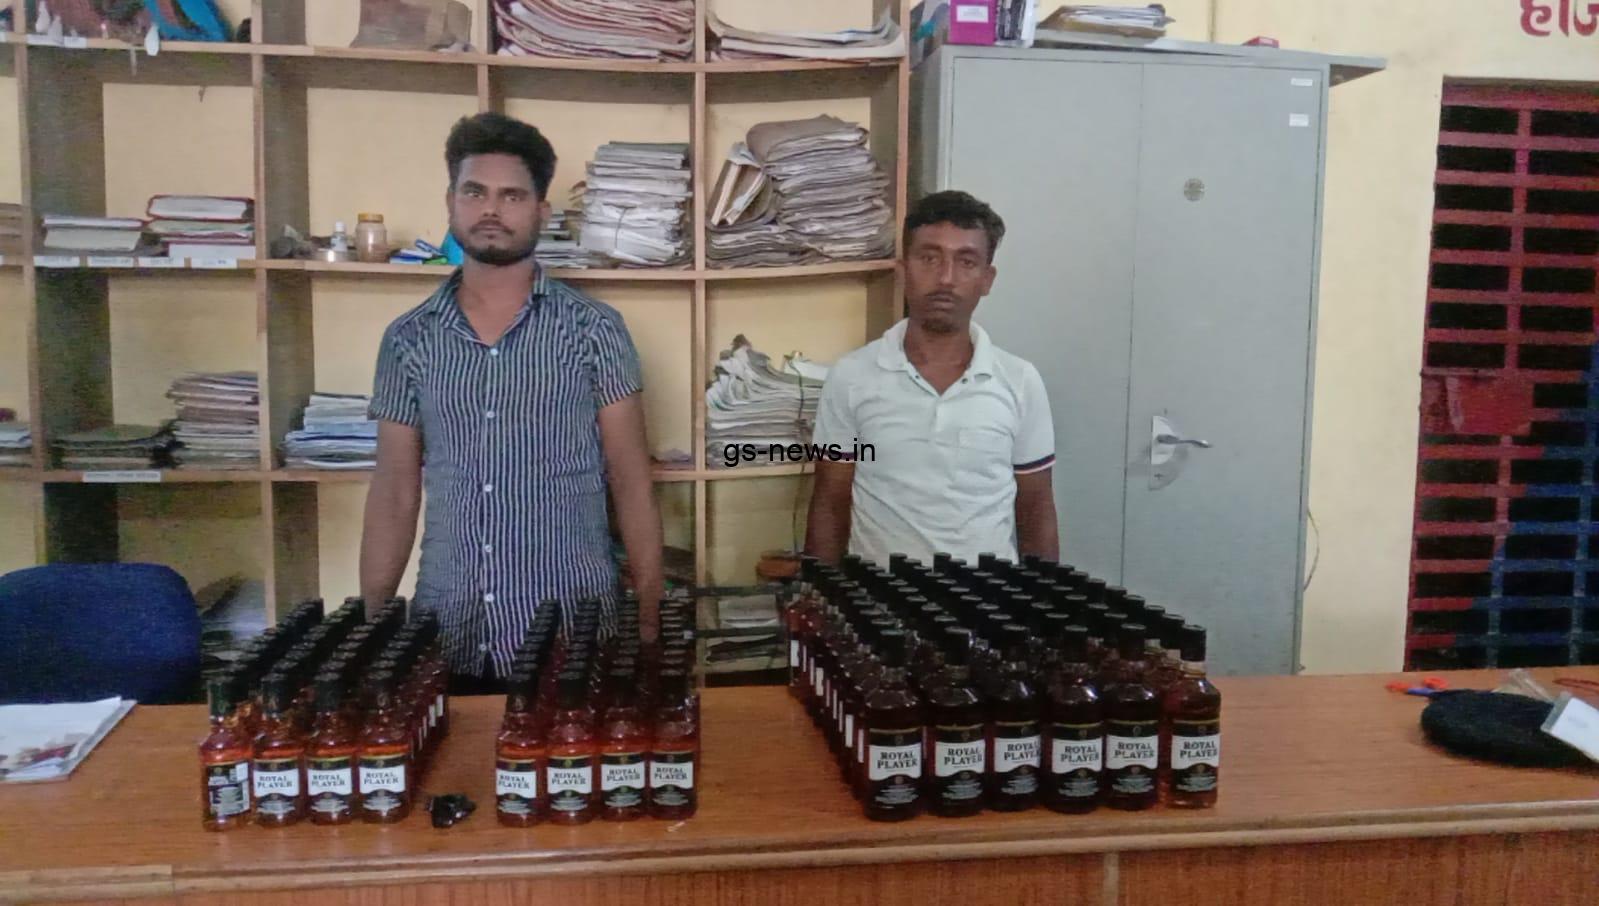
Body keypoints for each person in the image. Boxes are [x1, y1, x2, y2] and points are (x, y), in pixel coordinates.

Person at [359, 113, 664, 693]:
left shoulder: (595, 331)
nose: (491, 210)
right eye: (475, 192)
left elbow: (631, 482)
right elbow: (394, 493)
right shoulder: (408, 340)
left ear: (541, 212)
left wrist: (648, 622)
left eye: (512, 195)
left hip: (573, 638)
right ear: (451, 202)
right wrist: (372, 634)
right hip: (450, 634)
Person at [804, 190, 1058, 568]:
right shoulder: (852, 377)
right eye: (929, 258)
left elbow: (1036, 507)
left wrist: (1042, 598)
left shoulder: (1020, 381)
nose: (946, 278)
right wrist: (820, 593)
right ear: (903, 269)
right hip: (879, 598)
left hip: (988, 598)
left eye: (966, 262)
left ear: (987, 279)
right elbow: (830, 501)